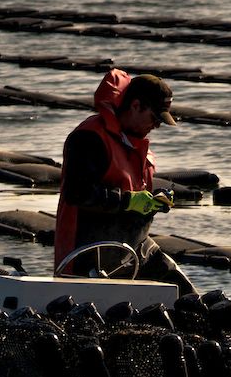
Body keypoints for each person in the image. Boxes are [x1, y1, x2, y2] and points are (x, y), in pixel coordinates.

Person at [54, 69, 196, 293]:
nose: (157, 126)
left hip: (135, 248)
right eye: (155, 118)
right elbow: (78, 193)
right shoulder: (89, 138)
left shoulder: (137, 145)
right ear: (136, 105)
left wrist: (153, 202)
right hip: (91, 254)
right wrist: (129, 201)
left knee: (182, 291)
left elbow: (134, 195)